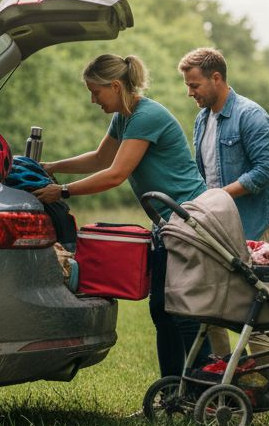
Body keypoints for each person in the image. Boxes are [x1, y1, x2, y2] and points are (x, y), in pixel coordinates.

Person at [33, 53, 207, 378]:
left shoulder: (147, 116)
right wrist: (54, 167)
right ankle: (173, 389)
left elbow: (115, 174)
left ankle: (201, 388)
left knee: (182, 310)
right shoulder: (125, 117)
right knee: (163, 309)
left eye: (96, 92)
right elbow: (101, 157)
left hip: (189, 218)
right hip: (168, 223)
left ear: (115, 85)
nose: (93, 99)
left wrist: (65, 191)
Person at [177, 46, 269, 359]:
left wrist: (219, 196)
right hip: (213, 224)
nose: (190, 93)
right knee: (211, 304)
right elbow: (203, 174)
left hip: (251, 223)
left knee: (254, 306)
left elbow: (265, 170)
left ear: (217, 78)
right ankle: (226, 375)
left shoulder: (250, 115)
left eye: (194, 85)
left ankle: (265, 378)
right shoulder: (201, 120)